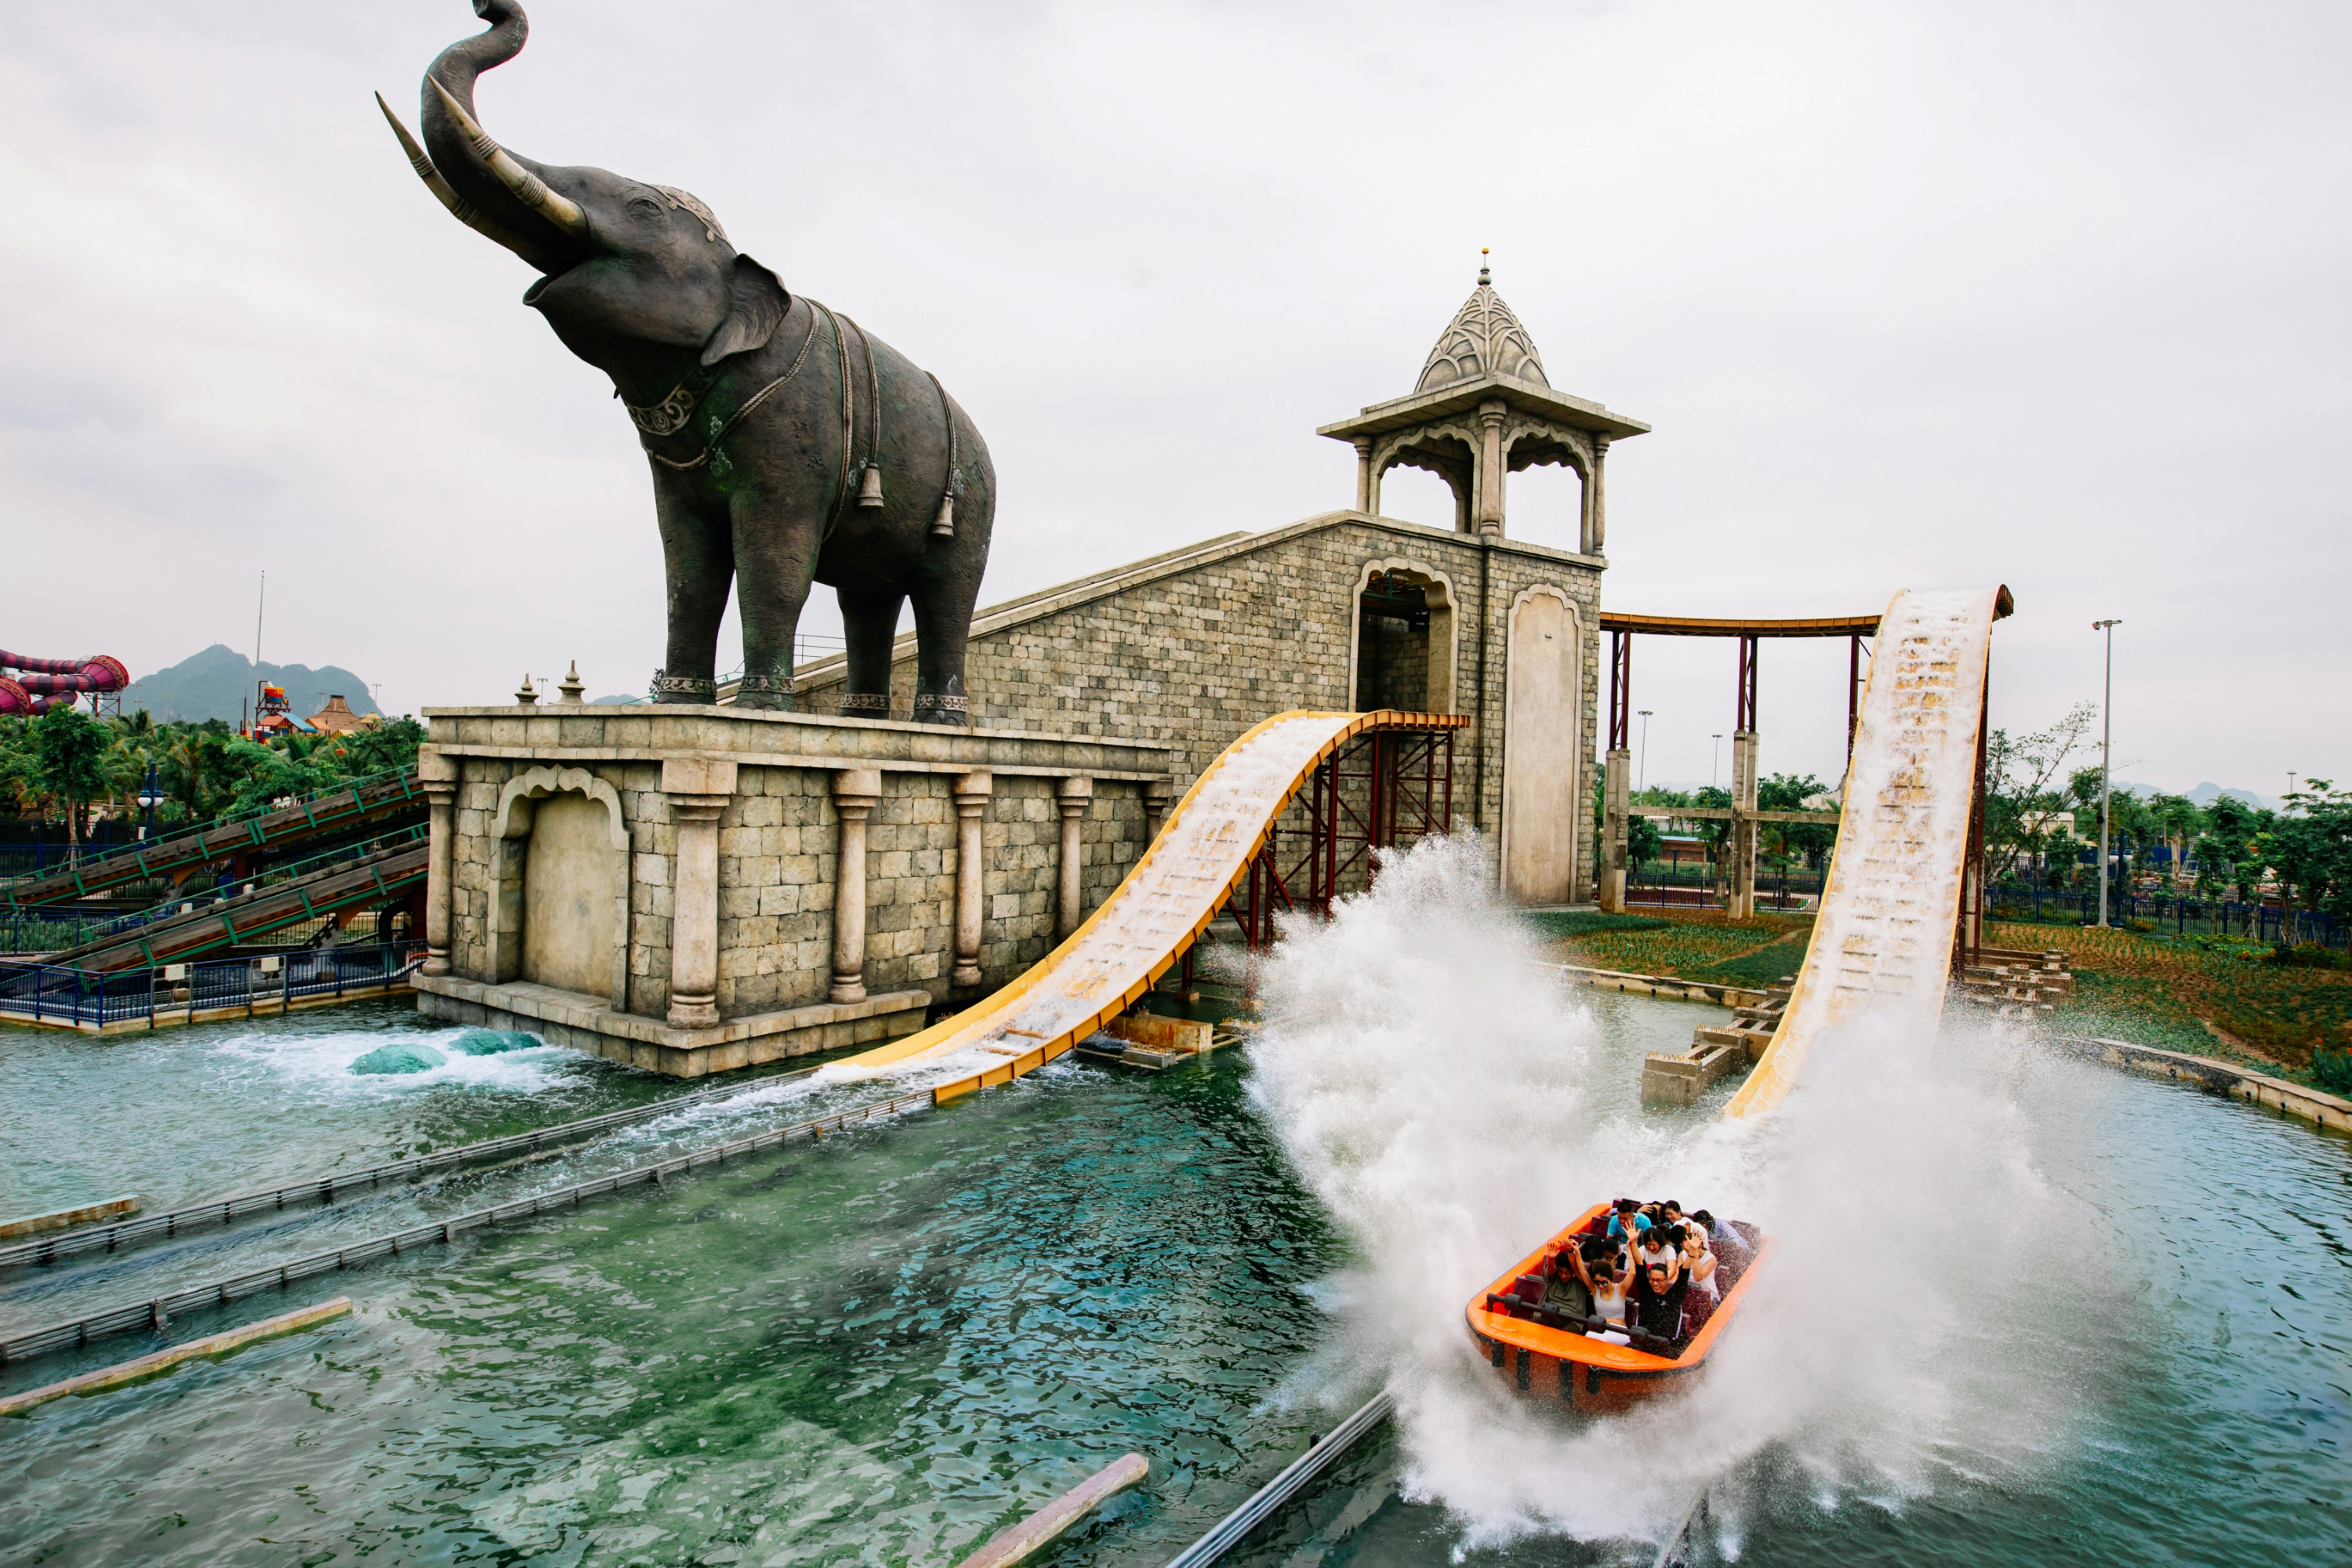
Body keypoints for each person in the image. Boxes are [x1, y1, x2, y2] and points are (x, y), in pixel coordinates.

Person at [1631, 1260, 1689, 1343]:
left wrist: (1692, 1254)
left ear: (1667, 1280)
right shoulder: (1646, 1293)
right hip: (1644, 1342)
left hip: (1668, 1346)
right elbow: (1640, 1268)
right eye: (1652, 1280)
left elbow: (1684, 1275)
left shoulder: (1675, 1297)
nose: (1655, 1283)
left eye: (1659, 1280)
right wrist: (1632, 1246)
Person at [1544, 1247, 1595, 1320]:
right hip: (1550, 1315)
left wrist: (1572, 1251)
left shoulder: (1581, 1281)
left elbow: (1581, 1270)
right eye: (1560, 1272)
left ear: (1573, 1271)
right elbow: (1550, 1268)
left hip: (1573, 1319)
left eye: (1567, 1273)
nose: (1564, 1276)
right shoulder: (1553, 1279)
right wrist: (1550, 1258)